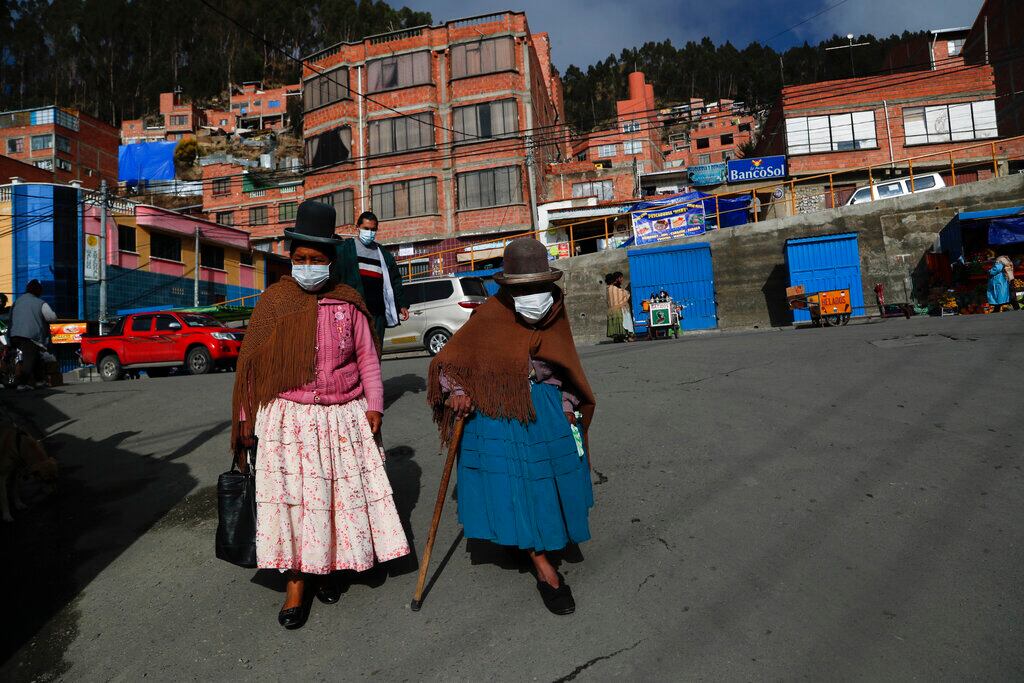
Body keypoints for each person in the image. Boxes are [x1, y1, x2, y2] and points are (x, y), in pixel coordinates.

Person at [230, 201, 410, 630]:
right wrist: (244, 419)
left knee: (334, 503)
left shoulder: (347, 303)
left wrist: (375, 405)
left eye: (316, 260)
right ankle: (296, 583)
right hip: (287, 419)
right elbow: (251, 366)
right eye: (300, 259)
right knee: (295, 506)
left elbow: (368, 360)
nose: (307, 266)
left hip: (341, 417)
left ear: (331, 261)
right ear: (291, 259)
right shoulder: (274, 302)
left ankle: (332, 567)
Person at [426, 238, 596, 615]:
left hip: (548, 409)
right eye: (522, 290)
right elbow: (449, 361)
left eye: (539, 288)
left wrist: (568, 404)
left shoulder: (556, 312)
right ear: (508, 289)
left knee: (550, 482)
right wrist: (456, 392)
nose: (532, 297)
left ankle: (537, 538)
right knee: (516, 483)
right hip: (497, 411)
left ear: (550, 285)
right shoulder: (489, 315)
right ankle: (544, 568)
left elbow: (567, 369)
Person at [333, 211, 409, 347]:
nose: (370, 232)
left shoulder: (383, 254)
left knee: (375, 349)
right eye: (366, 229)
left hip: (377, 313)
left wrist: (402, 304)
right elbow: (335, 276)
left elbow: (395, 280)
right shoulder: (345, 250)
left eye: (373, 229)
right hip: (353, 310)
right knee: (353, 350)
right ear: (358, 228)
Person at [9, 280, 57, 392]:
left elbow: (10, 319)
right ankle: (22, 384)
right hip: (29, 336)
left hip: (14, 335)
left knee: (35, 356)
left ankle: (39, 381)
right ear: (39, 291)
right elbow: (52, 318)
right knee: (29, 358)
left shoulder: (16, 302)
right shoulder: (40, 303)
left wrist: (9, 339)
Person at [605, 271, 633, 342]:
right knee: (622, 322)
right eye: (621, 278)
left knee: (616, 322)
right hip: (618, 308)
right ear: (617, 279)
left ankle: (617, 337)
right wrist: (626, 293)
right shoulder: (614, 288)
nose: (622, 280)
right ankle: (624, 336)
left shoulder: (608, 288)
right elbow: (624, 294)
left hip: (611, 309)